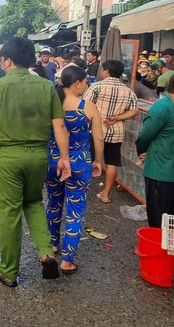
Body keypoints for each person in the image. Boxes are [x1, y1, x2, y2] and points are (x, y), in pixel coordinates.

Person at [0, 37, 71, 287]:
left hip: (10, 156)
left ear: (7, 60)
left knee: (10, 212)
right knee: (34, 203)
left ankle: (8, 270)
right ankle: (46, 253)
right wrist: (64, 158)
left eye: (1, 60)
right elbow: (59, 124)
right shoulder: (46, 86)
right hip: (39, 156)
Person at [46, 66, 104, 274]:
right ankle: (67, 260)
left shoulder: (53, 104)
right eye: (86, 81)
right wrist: (98, 161)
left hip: (53, 161)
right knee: (75, 210)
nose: (87, 85)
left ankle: (52, 245)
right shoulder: (87, 107)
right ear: (77, 83)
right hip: (79, 163)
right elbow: (98, 137)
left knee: (54, 203)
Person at [136, 72, 174, 227]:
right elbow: (144, 136)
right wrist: (143, 153)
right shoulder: (163, 107)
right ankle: (158, 250)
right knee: (162, 220)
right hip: (163, 175)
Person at [83, 59, 138, 203]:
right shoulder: (128, 91)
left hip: (95, 131)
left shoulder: (96, 87)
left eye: (102, 69)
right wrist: (117, 117)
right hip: (116, 132)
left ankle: (82, 191)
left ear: (107, 71)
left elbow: (85, 106)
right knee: (112, 163)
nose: (101, 72)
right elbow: (134, 111)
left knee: (87, 159)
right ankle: (106, 194)